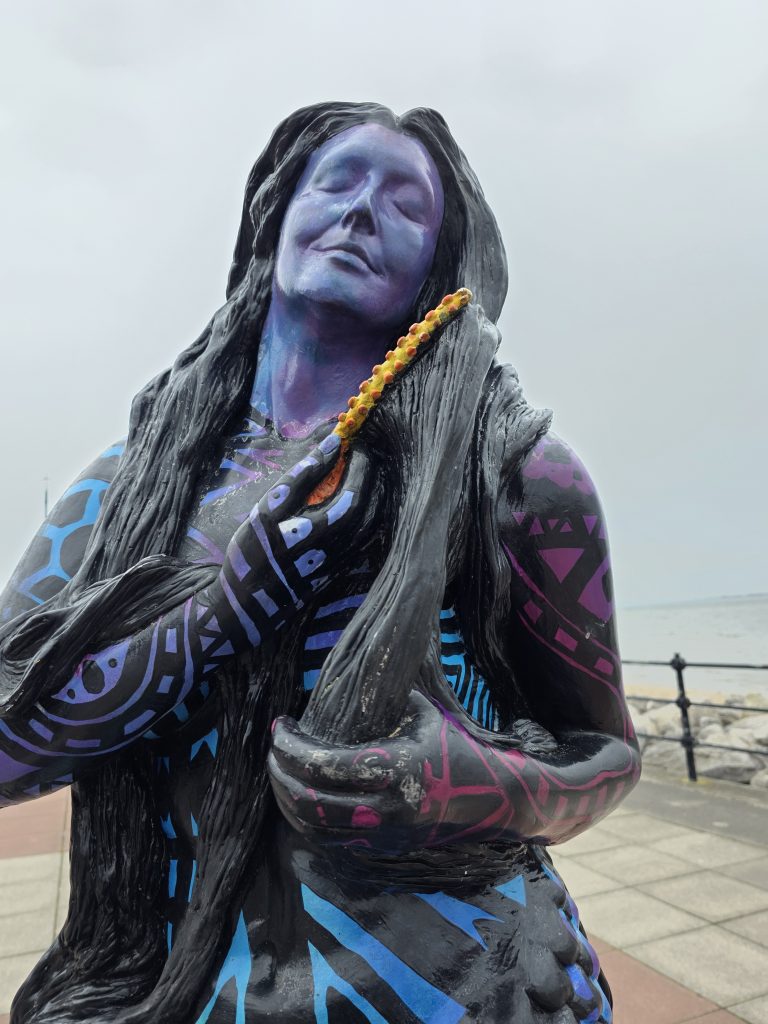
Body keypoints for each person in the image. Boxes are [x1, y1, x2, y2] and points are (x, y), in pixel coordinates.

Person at [0, 102, 639, 1023]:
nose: (361, 210)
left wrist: (469, 785)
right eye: (335, 181)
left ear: (441, 266)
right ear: (276, 214)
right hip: (175, 991)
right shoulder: (129, 486)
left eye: (406, 204)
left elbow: (605, 752)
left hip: (471, 989)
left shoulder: (516, 474)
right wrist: (222, 613)